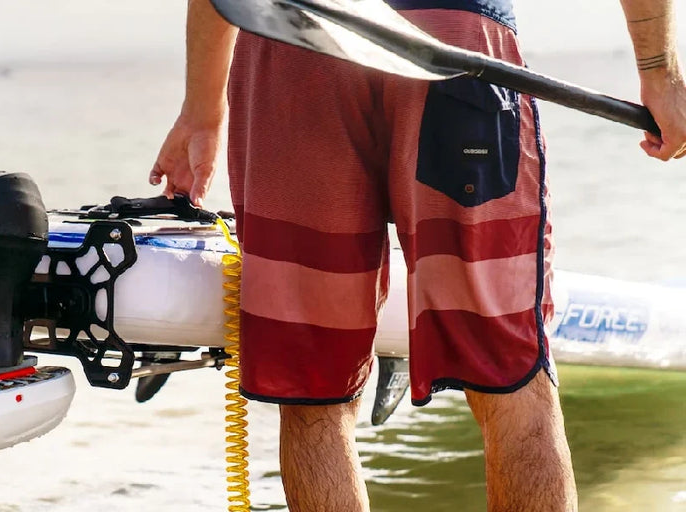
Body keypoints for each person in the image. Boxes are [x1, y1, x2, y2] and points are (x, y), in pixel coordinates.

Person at [148, 0, 686, 510]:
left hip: (296, 45)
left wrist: (202, 108)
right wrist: (660, 71)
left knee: (315, 393)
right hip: (450, 39)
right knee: (513, 377)